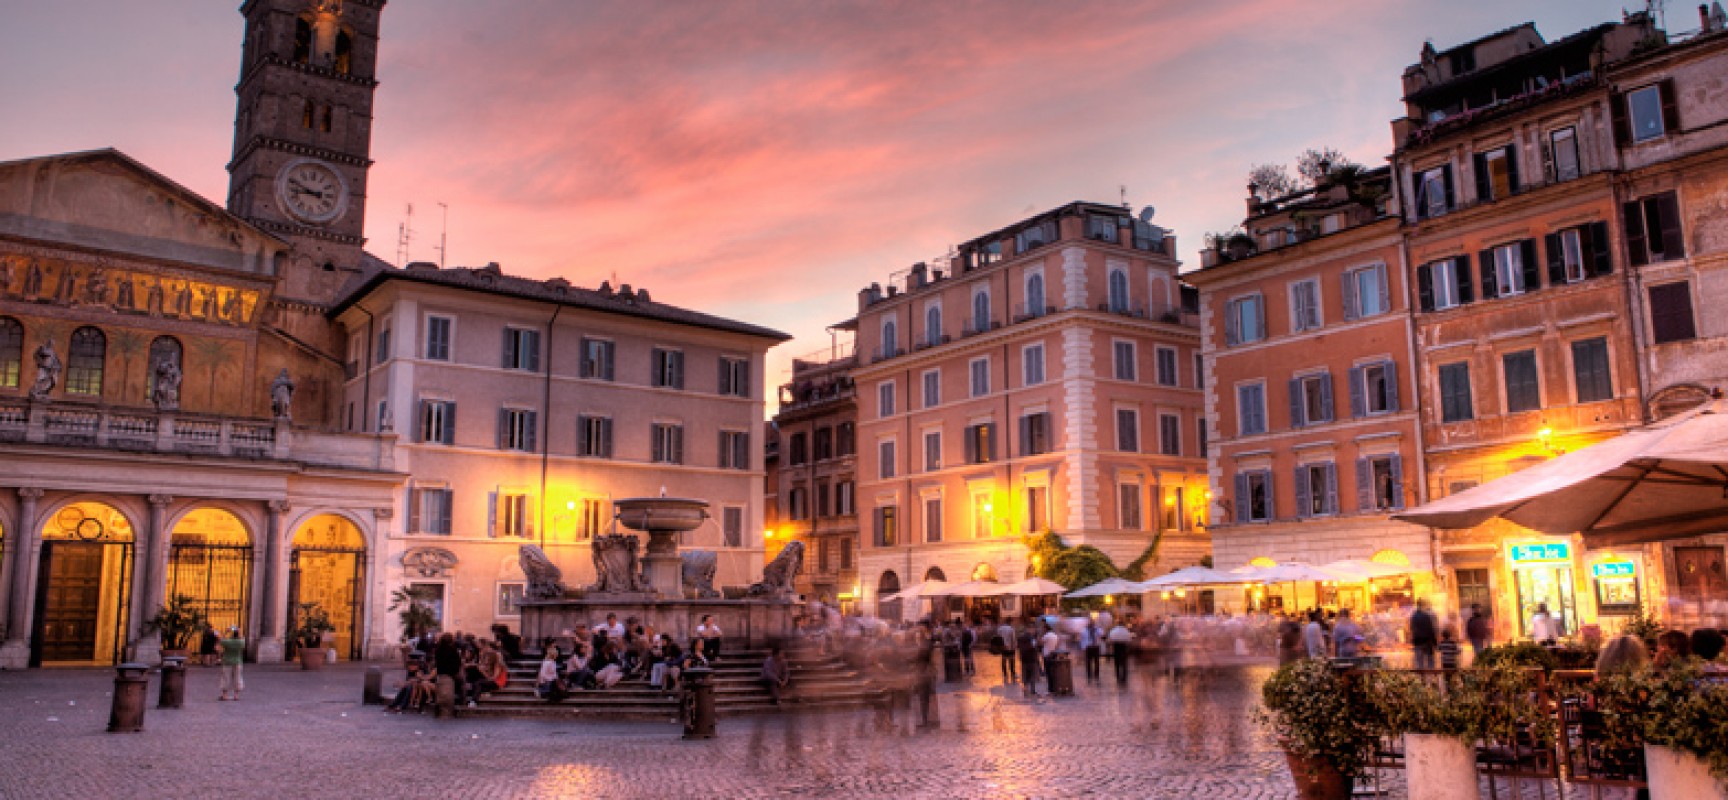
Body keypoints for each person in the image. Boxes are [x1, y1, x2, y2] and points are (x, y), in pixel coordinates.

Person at [464, 642, 508, 708]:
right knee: (474, 673)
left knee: (478, 683)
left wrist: (483, 672)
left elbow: (493, 678)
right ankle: (481, 692)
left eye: (488, 657)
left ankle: (474, 701)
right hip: (491, 680)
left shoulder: (498, 665)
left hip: (497, 683)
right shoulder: (491, 664)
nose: (487, 659)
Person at [433, 633, 464, 706]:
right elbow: (458, 662)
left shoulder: (438, 649)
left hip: (441, 672)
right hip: (451, 672)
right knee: (462, 682)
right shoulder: (453, 649)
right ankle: (461, 700)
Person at [216, 626, 245, 701]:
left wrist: (226, 632)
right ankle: (236, 695)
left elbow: (220, 640)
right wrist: (240, 631)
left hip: (227, 661)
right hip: (237, 662)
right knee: (238, 678)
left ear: (232, 635)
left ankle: (225, 695)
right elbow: (242, 638)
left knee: (226, 678)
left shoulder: (227, 642)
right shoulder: (241, 642)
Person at [1409, 600, 1438, 670]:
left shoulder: (1413, 617)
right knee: (1430, 661)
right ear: (1422, 606)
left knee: (1419, 662)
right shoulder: (1426, 616)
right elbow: (1430, 629)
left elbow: (1412, 629)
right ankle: (1431, 678)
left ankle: (1421, 679)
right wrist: (1435, 642)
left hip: (1417, 641)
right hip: (1427, 641)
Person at [1107, 620, 1133, 685]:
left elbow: (1110, 638)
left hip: (1116, 646)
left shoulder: (1114, 630)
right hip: (1124, 646)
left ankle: (1118, 675)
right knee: (1124, 662)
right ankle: (1124, 676)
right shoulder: (1126, 631)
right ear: (1123, 624)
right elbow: (1129, 639)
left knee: (1117, 661)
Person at [995, 618, 1018, 686]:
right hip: (1010, 647)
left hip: (1003, 647)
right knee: (1011, 661)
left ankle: (1005, 674)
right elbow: (1013, 639)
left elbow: (998, 638)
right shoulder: (1011, 629)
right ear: (1010, 622)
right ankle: (1012, 674)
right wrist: (1014, 646)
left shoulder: (1000, 629)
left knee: (1004, 661)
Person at [1081, 618, 1103, 682]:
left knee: (1096, 661)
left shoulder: (1097, 629)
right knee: (1088, 662)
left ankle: (1096, 674)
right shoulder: (1084, 630)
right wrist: (1083, 647)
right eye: (1090, 622)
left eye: (1092, 622)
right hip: (1088, 647)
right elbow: (1083, 639)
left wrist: (1098, 629)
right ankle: (1089, 674)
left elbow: (1101, 634)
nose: (1091, 623)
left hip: (1095, 646)